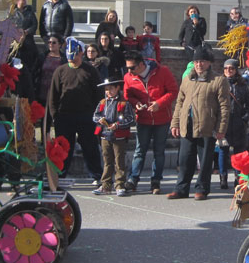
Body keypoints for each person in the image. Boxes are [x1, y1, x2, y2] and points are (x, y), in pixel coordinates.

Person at [168, 46, 230, 201]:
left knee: (204, 161)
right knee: (184, 159)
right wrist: (175, 123)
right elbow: (180, 102)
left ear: (209, 63)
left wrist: (221, 128)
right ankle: (181, 188)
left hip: (206, 125)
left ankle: (202, 189)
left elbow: (224, 107)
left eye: (202, 61)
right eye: (196, 61)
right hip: (187, 124)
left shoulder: (218, 80)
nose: (199, 64)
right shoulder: (187, 79)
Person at [47, 37, 103, 181]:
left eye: (75, 55)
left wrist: (97, 114)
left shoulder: (91, 71)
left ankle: (96, 175)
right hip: (64, 116)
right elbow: (53, 95)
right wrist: (54, 115)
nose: (73, 58)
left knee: (90, 147)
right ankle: (61, 174)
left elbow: (99, 94)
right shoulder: (60, 71)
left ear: (81, 53)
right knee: (63, 148)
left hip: (86, 116)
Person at [122, 51, 178, 194]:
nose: (130, 71)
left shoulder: (162, 71)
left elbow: (173, 91)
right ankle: (133, 179)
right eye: (128, 68)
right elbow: (128, 96)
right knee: (139, 151)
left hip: (162, 119)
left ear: (141, 64)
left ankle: (156, 181)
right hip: (143, 119)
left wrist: (159, 103)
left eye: (132, 67)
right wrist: (137, 104)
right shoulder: (129, 77)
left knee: (159, 152)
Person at [92, 78, 135, 197]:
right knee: (107, 161)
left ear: (117, 88)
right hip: (105, 135)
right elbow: (95, 116)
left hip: (119, 137)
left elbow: (131, 119)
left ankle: (120, 185)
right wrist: (99, 120)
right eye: (106, 89)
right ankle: (105, 185)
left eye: (111, 88)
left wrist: (118, 125)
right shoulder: (102, 103)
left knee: (119, 161)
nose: (108, 91)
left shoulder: (124, 103)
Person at [218, 59, 249, 189]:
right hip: (224, 123)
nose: (228, 71)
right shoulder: (219, 84)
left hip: (239, 122)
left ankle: (238, 177)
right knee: (223, 151)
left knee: (239, 152)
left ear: (236, 70)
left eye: (231, 68)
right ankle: (223, 177)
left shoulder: (243, 86)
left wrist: (245, 119)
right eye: (226, 68)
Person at [9, 0, 39, 99]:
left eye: (25, 0)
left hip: (27, 42)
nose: (24, 2)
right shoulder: (13, 13)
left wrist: (26, 32)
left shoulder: (30, 13)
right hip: (15, 43)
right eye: (22, 0)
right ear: (17, 2)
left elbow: (34, 25)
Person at [35, 34, 66, 106]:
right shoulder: (42, 56)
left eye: (54, 42)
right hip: (42, 92)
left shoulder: (64, 59)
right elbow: (35, 72)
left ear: (59, 45)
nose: (51, 44)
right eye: (49, 42)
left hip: (57, 92)